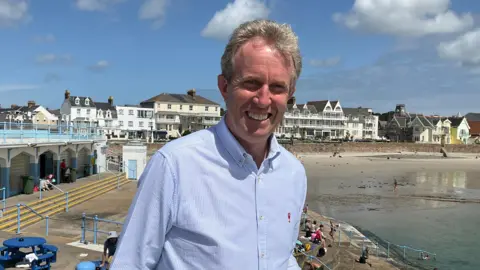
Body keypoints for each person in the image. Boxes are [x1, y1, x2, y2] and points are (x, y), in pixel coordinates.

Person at [111, 19, 305, 269]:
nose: (263, 99)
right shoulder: (174, 165)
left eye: (277, 87)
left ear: (289, 95)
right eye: (251, 83)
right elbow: (130, 264)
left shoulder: (294, 173)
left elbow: (283, 257)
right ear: (224, 87)